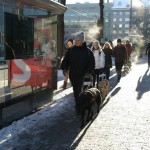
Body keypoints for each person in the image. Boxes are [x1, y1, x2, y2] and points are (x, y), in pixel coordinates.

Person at [61, 32, 95, 113]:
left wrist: (88, 72)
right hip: (73, 75)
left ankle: (79, 106)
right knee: (76, 90)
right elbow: (66, 60)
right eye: (75, 40)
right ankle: (79, 103)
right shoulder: (71, 50)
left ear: (82, 41)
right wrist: (64, 69)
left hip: (83, 75)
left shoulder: (88, 51)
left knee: (80, 91)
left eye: (78, 40)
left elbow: (92, 63)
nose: (76, 41)